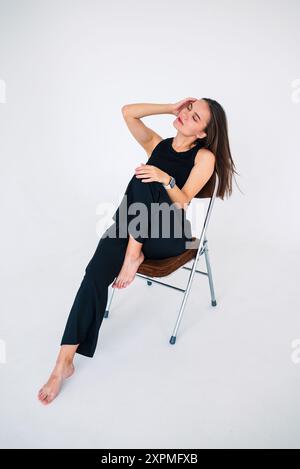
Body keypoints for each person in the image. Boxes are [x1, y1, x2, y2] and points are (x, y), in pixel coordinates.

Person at [38, 97, 239, 404]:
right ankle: (63, 361)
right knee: (94, 274)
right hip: (131, 227)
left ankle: (133, 254)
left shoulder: (204, 157)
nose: (186, 114)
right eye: (188, 107)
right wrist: (169, 108)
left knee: (147, 177)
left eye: (194, 116)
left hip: (169, 236)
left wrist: (164, 177)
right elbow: (127, 113)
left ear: (202, 133)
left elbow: (183, 200)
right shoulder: (158, 144)